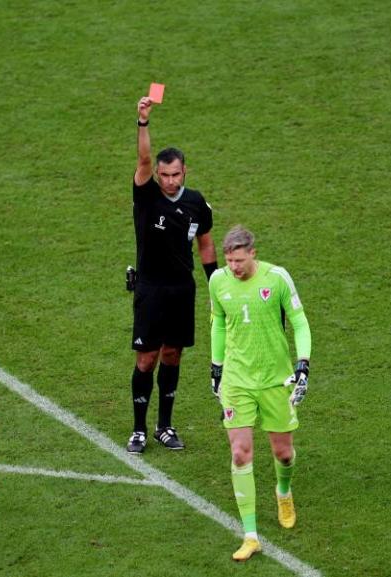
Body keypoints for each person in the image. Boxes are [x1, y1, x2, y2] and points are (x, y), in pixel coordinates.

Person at [208, 226, 312, 561]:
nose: (234, 267)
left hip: (274, 379)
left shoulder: (277, 278)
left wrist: (303, 364)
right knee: (240, 453)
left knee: (283, 453)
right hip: (237, 381)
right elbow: (219, 323)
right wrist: (216, 367)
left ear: (253, 253)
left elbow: (299, 321)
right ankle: (250, 535)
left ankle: (283, 491)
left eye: (239, 260)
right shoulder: (218, 282)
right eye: (229, 261)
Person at [126, 95, 218, 453]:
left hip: (182, 289)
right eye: (163, 175)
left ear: (185, 172)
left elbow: (206, 245)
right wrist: (143, 121)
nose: (168, 180)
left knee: (173, 355)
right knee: (146, 358)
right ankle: (138, 429)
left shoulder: (196, 202)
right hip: (150, 288)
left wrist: (216, 284)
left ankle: (164, 426)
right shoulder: (146, 195)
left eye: (174, 174)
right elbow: (144, 158)